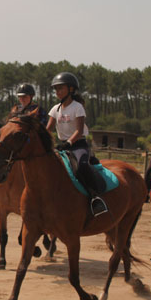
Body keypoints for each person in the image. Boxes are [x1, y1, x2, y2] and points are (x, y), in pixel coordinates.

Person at [45, 72, 108, 217]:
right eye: (56, 89)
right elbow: (47, 129)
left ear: (71, 89)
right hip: (62, 145)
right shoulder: (55, 109)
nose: (58, 91)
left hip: (78, 145)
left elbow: (79, 130)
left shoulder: (77, 107)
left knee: (81, 166)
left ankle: (95, 197)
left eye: (61, 88)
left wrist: (68, 143)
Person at [0, 83, 47, 195]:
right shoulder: (16, 109)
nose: (22, 99)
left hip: (31, 140)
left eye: (25, 97)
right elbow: (9, 125)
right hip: (15, 139)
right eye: (20, 97)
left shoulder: (38, 110)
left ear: (31, 97)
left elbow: (42, 126)